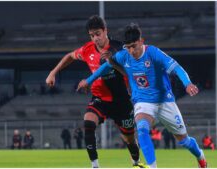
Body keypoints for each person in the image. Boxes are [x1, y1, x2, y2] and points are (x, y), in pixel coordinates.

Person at [77, 23, 208, 168]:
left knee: (184, 141)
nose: (132, 50)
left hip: (165, 102)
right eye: (128, 47)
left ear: (141, 41)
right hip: (143, 101)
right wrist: (88, 81)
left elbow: (176, 67)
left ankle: (200, 156)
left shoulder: (153, 53)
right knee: (142, 129)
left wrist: (187, 83)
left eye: (134, 45)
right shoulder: (124, 55)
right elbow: (106, 67)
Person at [45, 15, 145, 168]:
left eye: (98, 34)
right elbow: (69, 56)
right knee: (88, 122)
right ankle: (95, 165)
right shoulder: (87, 50)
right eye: (92, 35)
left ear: (105, 31)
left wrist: (112, 62)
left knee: (129, 139)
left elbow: (129, 72)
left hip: (122, 101)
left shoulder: (120, 48)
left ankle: (136, 162)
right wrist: (53, 72)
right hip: (100, 98)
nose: (95, 38)